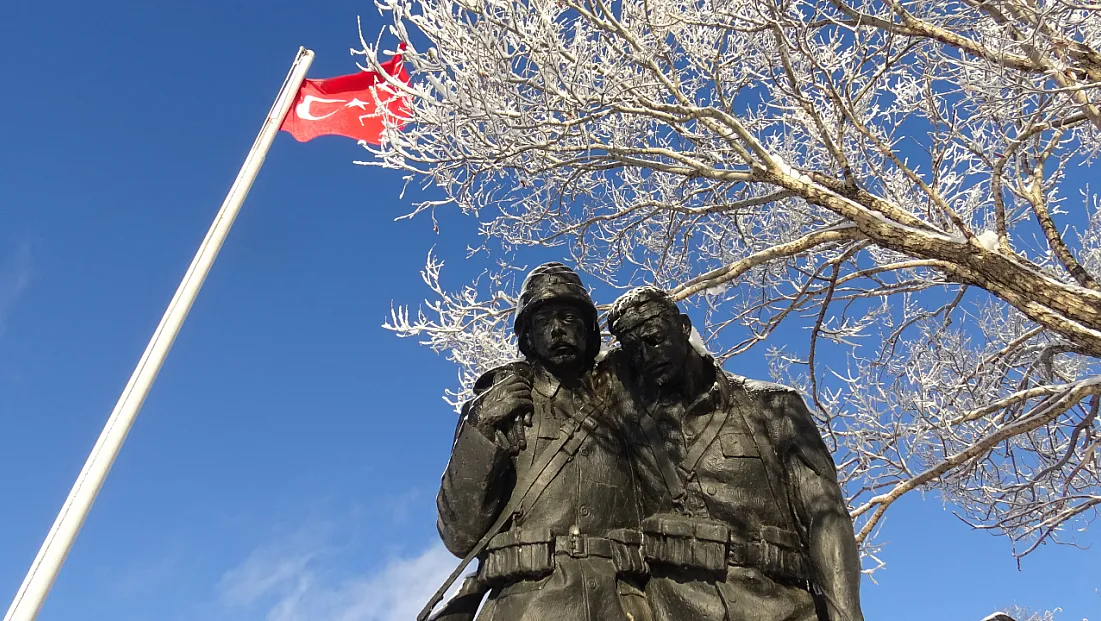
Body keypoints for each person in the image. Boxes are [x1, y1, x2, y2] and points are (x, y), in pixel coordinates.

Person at [606, 286, 865, 621]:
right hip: (678, 609)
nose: (648, 355)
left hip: (783, 607)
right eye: (634, 349)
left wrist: (845, 614)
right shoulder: (629, 429)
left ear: (683, 327)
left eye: (654, 338)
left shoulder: (774, 407)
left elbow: (827, 518)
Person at [430, 263, 651, 621]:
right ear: (528, 337)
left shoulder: (630, 404)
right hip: (526, 604)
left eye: (568, 317)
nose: (557, 330)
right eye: (543, 321)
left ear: (589, 329)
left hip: (625, 604)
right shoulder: (498, 408)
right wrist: (482, 428)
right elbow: (459, 535)